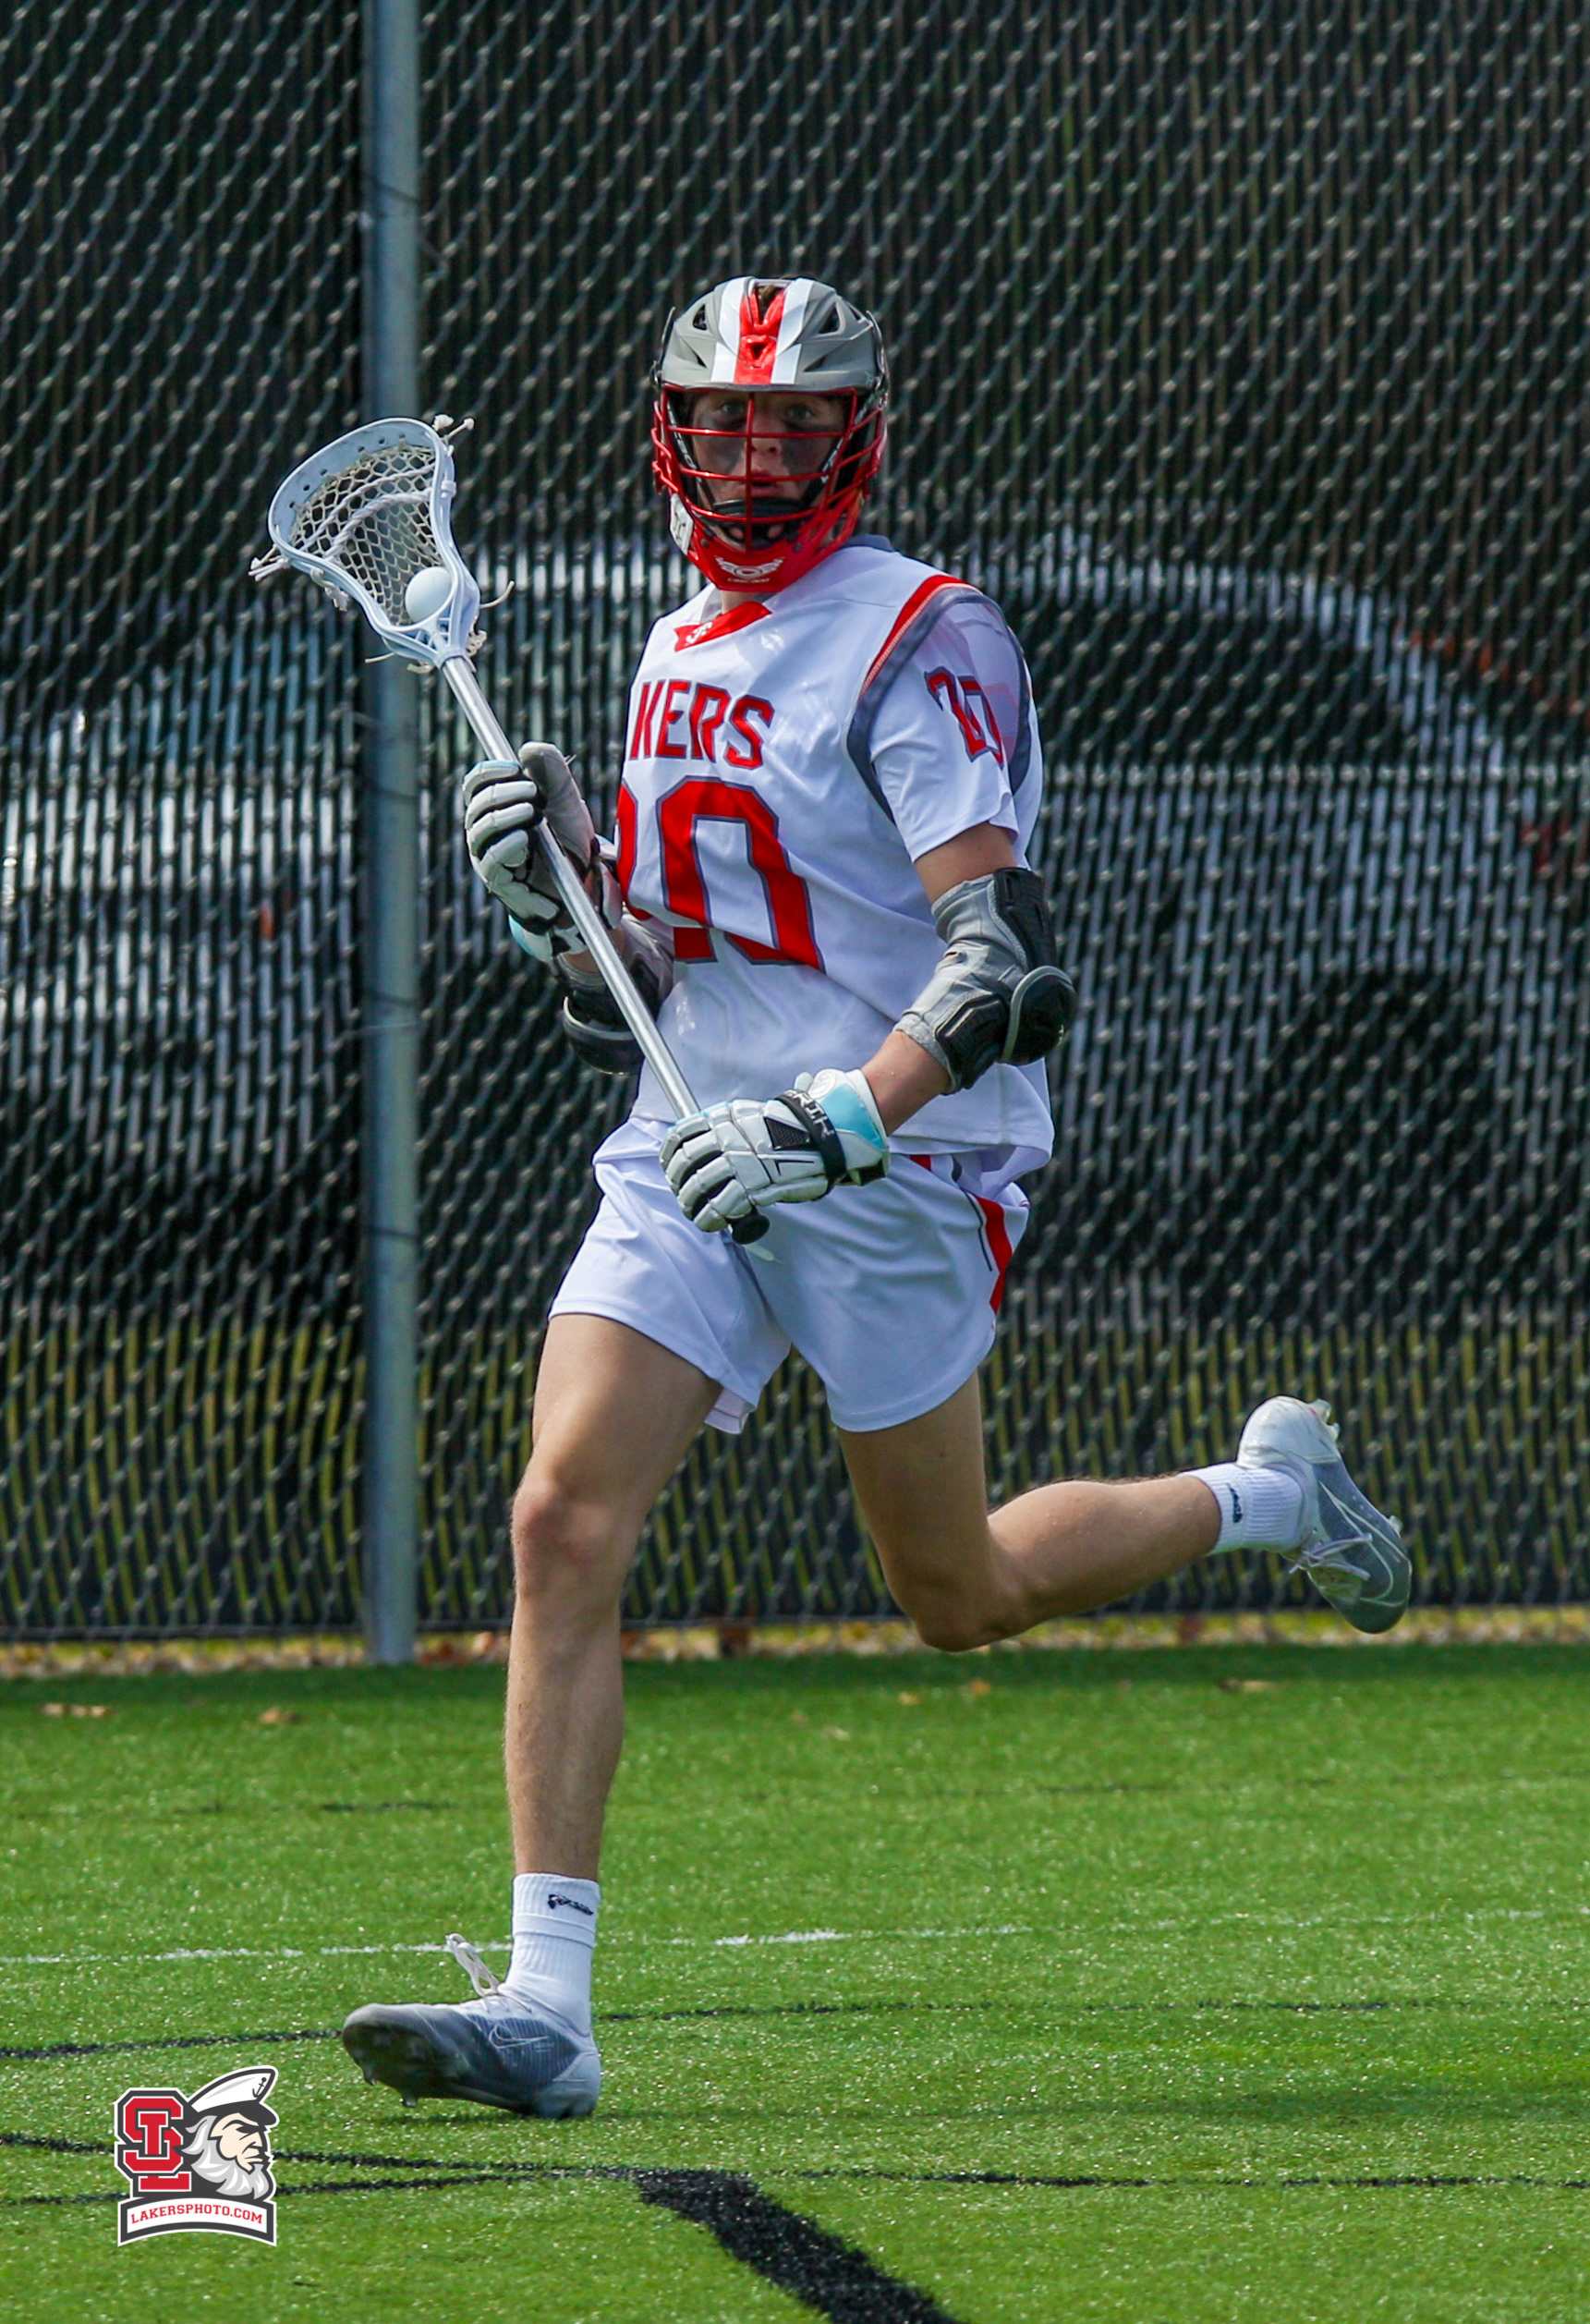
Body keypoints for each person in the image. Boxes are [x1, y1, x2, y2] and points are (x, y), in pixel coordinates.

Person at [341, 276, 1409, 2121]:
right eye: (726, 422)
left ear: (857, 437)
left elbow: (1005, 964)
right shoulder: (672, 640)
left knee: (956, 1590)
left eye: (794, 424)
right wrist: (552, 901)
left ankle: (1267, 1494)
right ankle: (547, 2007)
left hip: (894, 1160)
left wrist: (833, 1123)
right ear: (673, 434)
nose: (757, 459)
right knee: (558, 1520)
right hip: (694, 1141)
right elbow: (656, 976)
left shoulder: (922, 632)